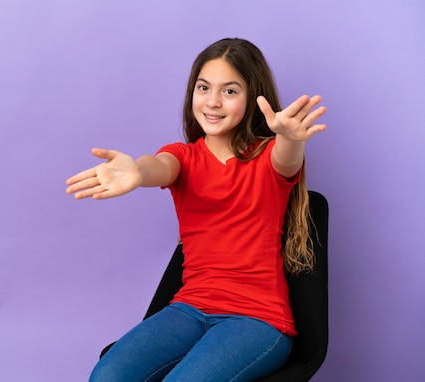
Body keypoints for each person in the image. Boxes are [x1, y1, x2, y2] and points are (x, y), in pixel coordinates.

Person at [65, 38, 326, 382]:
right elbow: (159, 166)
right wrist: (138, 172)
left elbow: (287, 158)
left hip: (258, 320)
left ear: (252, 97)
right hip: (189, 309)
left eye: (230, 91)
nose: (213, 102)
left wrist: (292, 138)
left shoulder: (268, 157)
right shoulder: (184, 157)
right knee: (107, 376)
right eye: (204, 88)